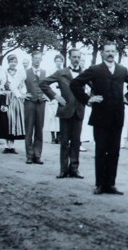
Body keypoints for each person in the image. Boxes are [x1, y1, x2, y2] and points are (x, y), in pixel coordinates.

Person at [70, 42, 128, 196]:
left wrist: (127, 98)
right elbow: (75, 84)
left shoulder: (122, 70)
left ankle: (111, 184)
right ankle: (100, 184)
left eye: (113, 51)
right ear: (102, 53)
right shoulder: (95, 69)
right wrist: (88, 99)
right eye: (107, 51)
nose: (110, 53)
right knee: (101, 150)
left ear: (116, 53)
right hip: (100, 115)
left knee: (114, 151)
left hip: (117, 115)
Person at [40, 48, 86, 179]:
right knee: (64, 141)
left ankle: (75, 169)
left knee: (76, 142)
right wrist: (55, 96)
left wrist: (88, 99)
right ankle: (63, 169)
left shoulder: (85, 73)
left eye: (78, 57)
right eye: (74, 57)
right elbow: (43, 83)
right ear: (69, 58)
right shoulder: (61, 72)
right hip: (65, 110)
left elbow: (96, 87)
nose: (76, 59)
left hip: (79, 111)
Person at [0, 54, 27, 154]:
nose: (13, 64)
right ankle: (6, 145)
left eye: (15, 62)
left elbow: (23, 86)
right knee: (5, 121)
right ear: (8, 62)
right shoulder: (3, 72)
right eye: (11, 61)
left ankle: (12, 146)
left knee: (14, 121)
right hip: (5, 99)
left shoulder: (20, 73)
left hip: (16, 100)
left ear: (17, 63)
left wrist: (22, 93)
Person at [23, 50, 48, 165]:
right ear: (32, 59)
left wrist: (46, 96)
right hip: (29, 103)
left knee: (39, 129)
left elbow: (48, 87)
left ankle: (37, 155)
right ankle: (29, 155)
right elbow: (15, 84)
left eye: (39, 58)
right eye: (35, 58)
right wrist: (22, 94)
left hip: (41, 103)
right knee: (28, 129)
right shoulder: (25, 72)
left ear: (41, 60)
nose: (37, 60)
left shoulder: (44, 72)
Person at [45, 54, 65, 145]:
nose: (59, 62)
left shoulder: (64, 71)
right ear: (55, 61)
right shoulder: (51, 71)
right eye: (57, 61)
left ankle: (59, 136)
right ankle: (53, 137)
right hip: (53, 94)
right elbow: (47, 83)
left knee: (60, 115)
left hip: (62, 94)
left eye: (60, 61)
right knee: (52, 116)